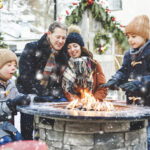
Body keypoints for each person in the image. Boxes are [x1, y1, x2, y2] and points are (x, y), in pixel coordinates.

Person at [101, 15, 150, 149]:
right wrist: (114, 80)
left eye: (133, 36)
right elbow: (123, 71)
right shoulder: (129, 55)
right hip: (133, 103)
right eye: (128, 36)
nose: (130, 40)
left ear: (145, 35)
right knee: (133, 138)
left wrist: (139, 83)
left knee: (147, 138)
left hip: (148, 103)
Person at [16, 21, 68, 140]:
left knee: (63, 108)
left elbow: (59, 80)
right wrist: (41, 95)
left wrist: (52, 95)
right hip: (29, 92)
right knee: (29, 113)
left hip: (50, 94)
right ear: (49, 34)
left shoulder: (62, 55)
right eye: (58, 37)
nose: (60, 41)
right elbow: (26, 77)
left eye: (63, 38)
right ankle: (28, 142)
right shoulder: (32, 48)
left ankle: (51, 140)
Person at [62, 25, 107, 101]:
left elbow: (102, 87)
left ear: (81, 47)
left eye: (75, 46)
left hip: (93, 105)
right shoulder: (66, 67)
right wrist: (78, 102)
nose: (72, 50)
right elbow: (66, 91)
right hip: (75, 107)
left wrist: (92, 101)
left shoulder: (94, 64)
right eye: (69, 48)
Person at [0, 49, 33, 146]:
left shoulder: (10, 84)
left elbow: (17, 96)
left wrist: (31, 98)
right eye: (9, 65)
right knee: (6, 142)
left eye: (14, 65)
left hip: (5, 124)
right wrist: (10, 104)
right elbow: (11, 102)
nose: (13, 68)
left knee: (20, 141)